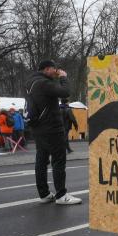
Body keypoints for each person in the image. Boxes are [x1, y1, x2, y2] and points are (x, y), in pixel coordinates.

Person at [25, 60, 81, 205]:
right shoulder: (44, 83)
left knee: (41, 160)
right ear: (47, 69)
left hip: (38, 127)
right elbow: (65, 92)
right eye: (53, 69)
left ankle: (44, 194)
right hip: (51, 128)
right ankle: (61, 195)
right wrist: (63, 77)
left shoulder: (31, 82)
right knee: (58, 159)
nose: (55, 71)